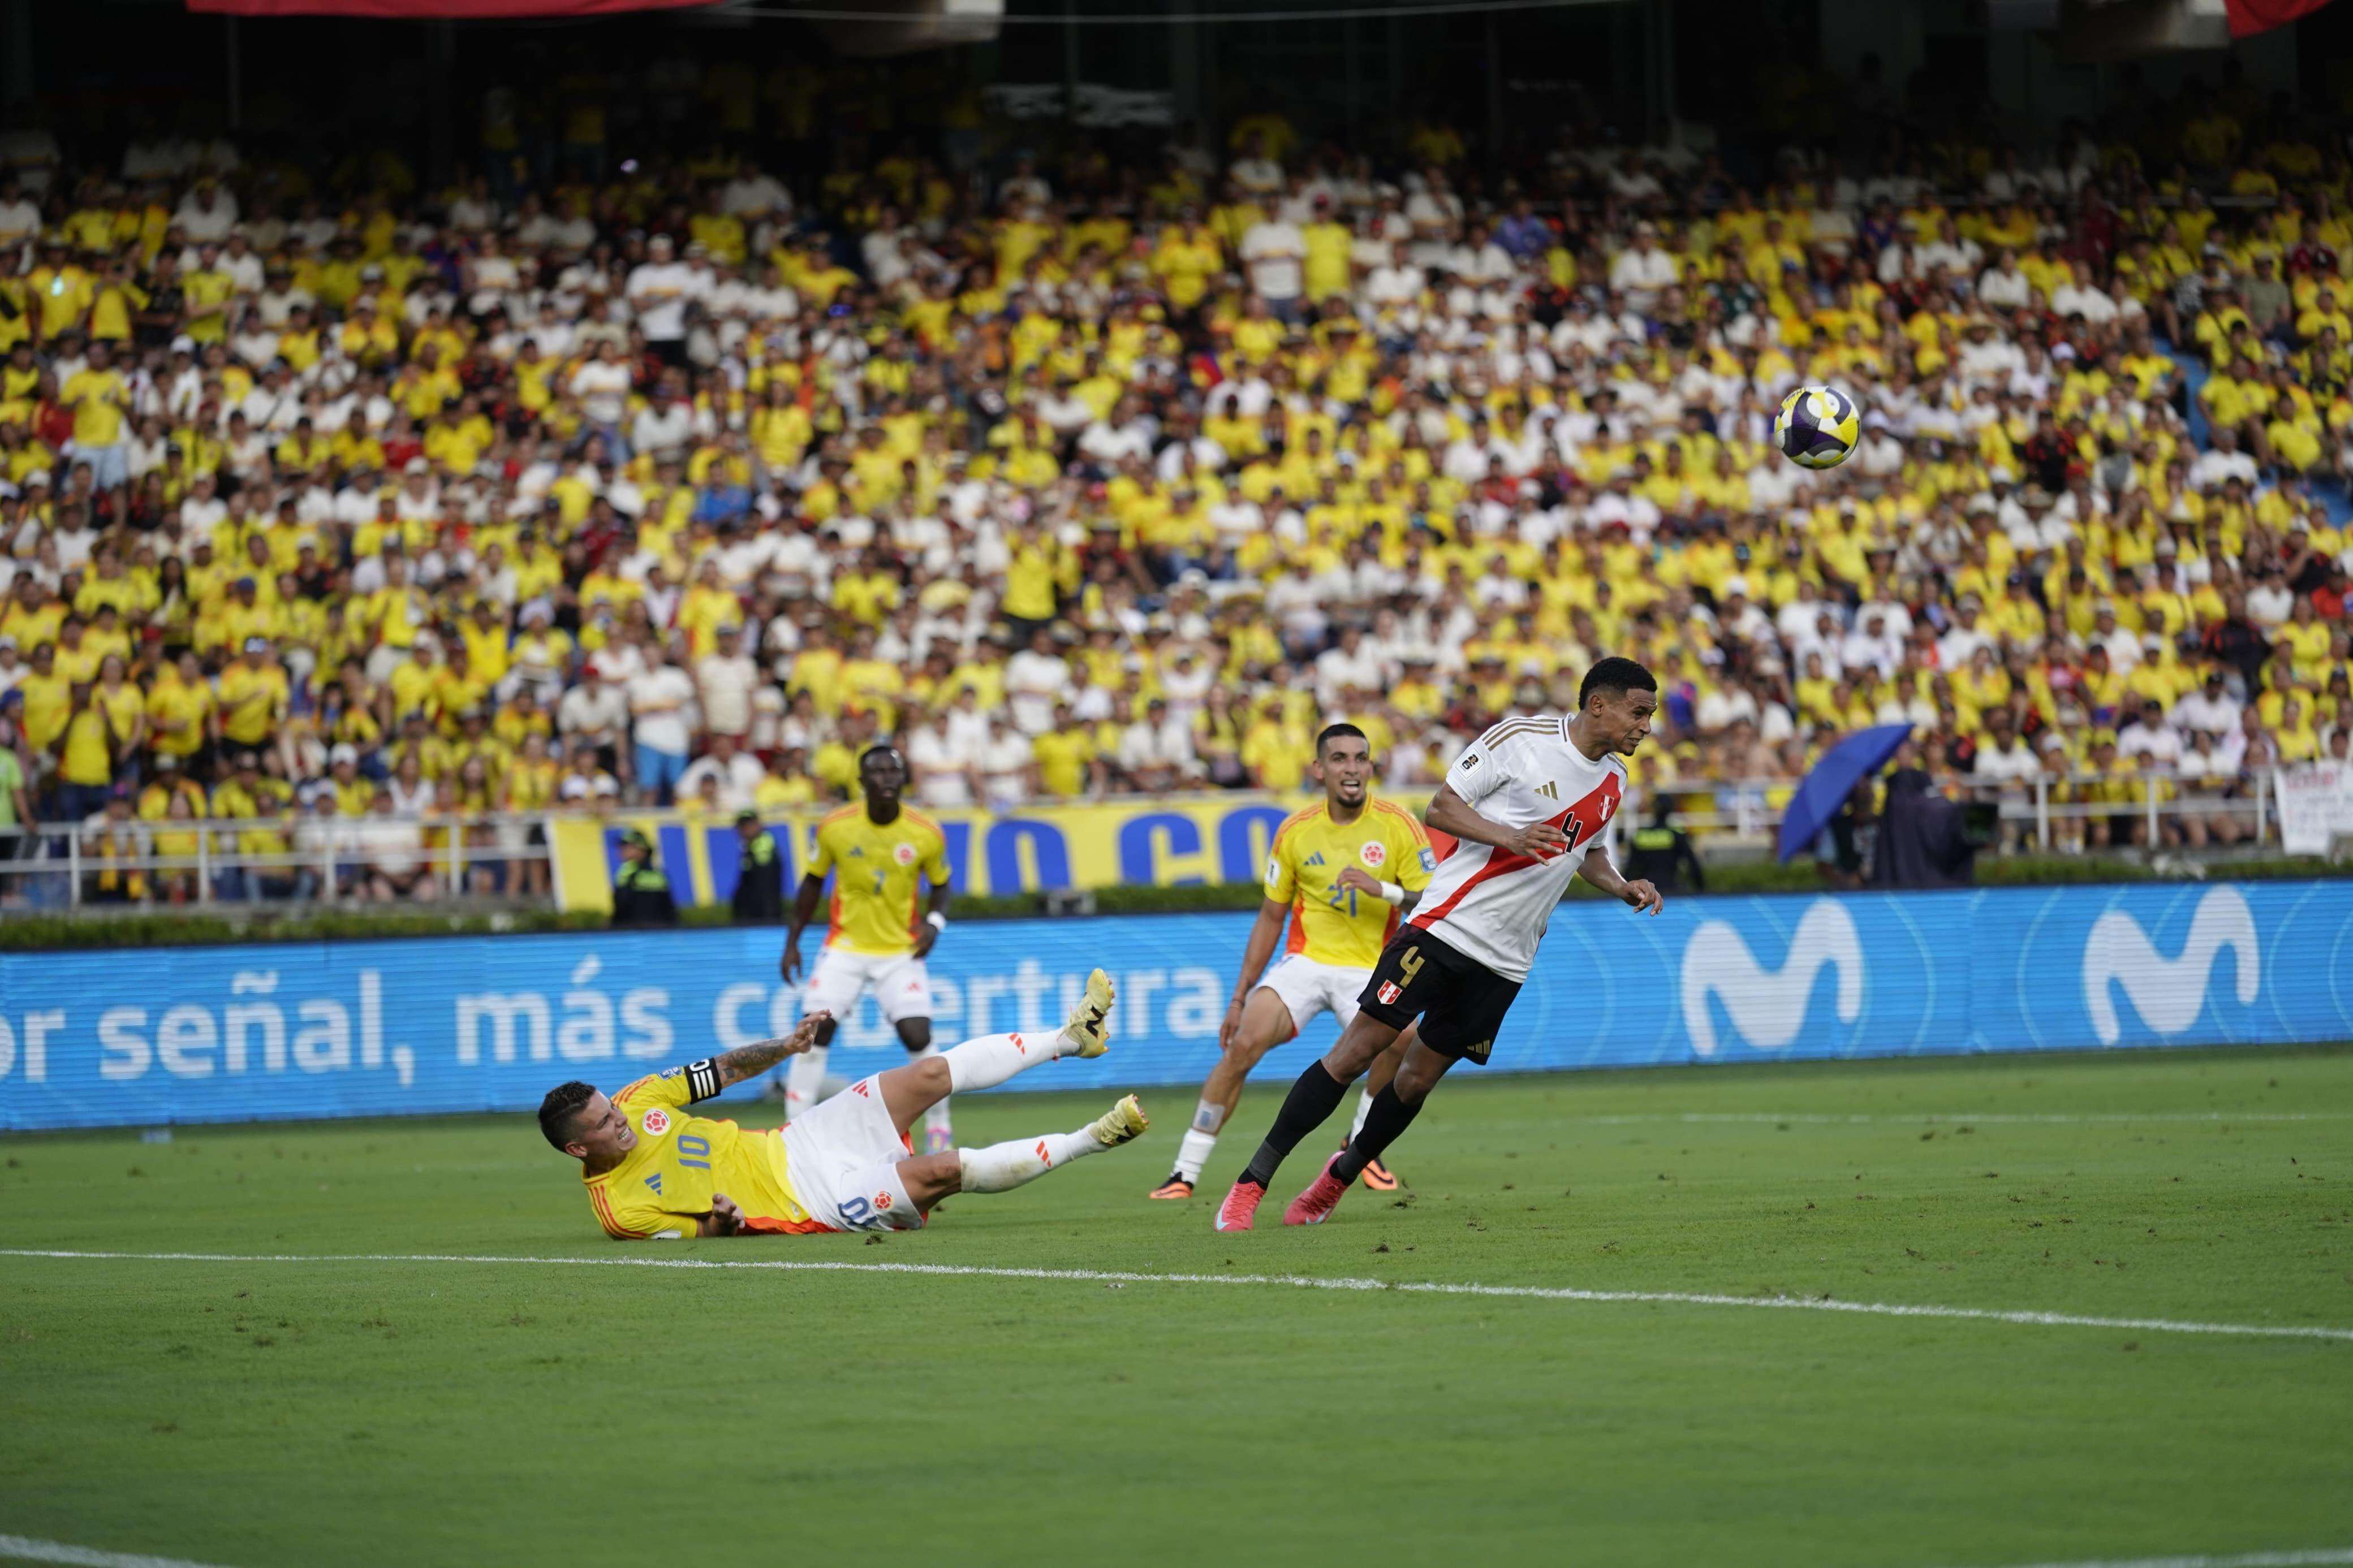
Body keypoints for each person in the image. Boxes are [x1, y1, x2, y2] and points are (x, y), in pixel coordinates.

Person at [1215, 657, 1665, 1232]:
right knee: (1354, 1053)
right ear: (1598, 705)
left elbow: (1587, 852)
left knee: (1417, 1079)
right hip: (1443, 929)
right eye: (1638, 712)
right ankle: (1250, 1183)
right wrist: (1509, 835)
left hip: (1506, 962)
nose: (1645, 726)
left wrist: (1622, 885)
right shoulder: (1521, 740)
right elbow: (1441, 806)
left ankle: (1335, 1179)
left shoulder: (1615, 780)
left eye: (1648, 715)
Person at [540, 970, 1144, 1239]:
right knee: (942, 1168)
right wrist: (723, 1219)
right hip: (813, 1201)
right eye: (604, 1123)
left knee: (929, 1073)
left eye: (611, 1108)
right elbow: (702, 1231)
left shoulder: (640, 1097)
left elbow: (723, 1069)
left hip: (800, 1140)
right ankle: (1094, 1137)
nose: (619, 1119)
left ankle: (1069, 1038)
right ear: (576, 1147)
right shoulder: (620, 1211)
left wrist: (785, 1046)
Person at [1149, 722, 1434, 1201]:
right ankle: (1184, 1171)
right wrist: (1239, 996)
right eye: (1340, 758)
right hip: (1305, 961)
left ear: (1370, 767)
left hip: (1368, 965)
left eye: (1360, 758)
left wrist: (1380, 889)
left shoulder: (1398, 823)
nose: (1352, 768)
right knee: (1243, 1044)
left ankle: (1360, 1143)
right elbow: (1270, 917)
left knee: (1403, 1040)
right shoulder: (1296, 830)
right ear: (1319, 769)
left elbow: (1433, 901)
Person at [777, 745, 956, 1151]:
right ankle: (793, 1137)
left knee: (918, 1034)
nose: (887, 778)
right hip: (845, 947)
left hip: (900, 951)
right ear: (861, 782)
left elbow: (942, 883)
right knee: (814, 1030)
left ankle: (940, 1131)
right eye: (877, 772)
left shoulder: (925, 831)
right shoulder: (836, 827)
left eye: (894, 771)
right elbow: (811, 885)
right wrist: (792, 942)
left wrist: (934, 923)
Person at [1622, 797, 1704, 893]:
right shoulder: (1676, 836)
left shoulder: (1640, 835)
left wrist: (1626, 892)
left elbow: (1630, 869)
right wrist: (1701, 890)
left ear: (1653, 810)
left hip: (1646, 893)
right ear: (1671, 810)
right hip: (1671, 890)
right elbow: (1693, 866)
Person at [610, 825, 679, 927]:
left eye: (627, 846)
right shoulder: (660, 875)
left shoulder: (626, 872)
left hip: (632, 934)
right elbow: (670, 911)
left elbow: (621, 907)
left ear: (641, 849)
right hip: (661, 934)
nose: (621, 850)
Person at [730, 807, 783, 922]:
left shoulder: (763, 843)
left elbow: (763, 883)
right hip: (756, 915)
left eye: (749, 824)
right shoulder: (750, 846)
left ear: (758, 824)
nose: (746, 829)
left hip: (763, 916)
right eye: (742, 826)